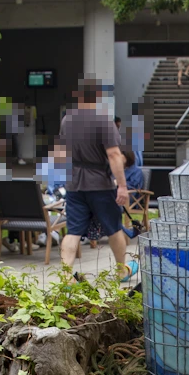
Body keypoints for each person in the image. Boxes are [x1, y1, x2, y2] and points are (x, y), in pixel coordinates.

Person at [57, 78, 135, 278]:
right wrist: (123, 187)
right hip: (100, 183)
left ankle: (65, 278)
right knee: (113, 228)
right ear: (98, 97)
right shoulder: (103, 121)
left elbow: (63, 153)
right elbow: (114, 155)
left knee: (73, 231)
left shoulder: (67, 120)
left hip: (74, 183)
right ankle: (120, 272)